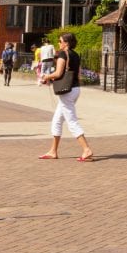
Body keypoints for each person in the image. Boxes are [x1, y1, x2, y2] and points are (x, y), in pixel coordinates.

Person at [38, 32, 94, 161]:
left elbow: (58, 73)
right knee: (57, 120)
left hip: (67, 92)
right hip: (75, 89)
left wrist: (46, 77)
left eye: (60, 41)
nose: (58, 43)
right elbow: (76, 73)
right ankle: (53, 151)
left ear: (66, 43)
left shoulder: (63, 54)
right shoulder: (75, 55)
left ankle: (86, 149)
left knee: (72, 121)